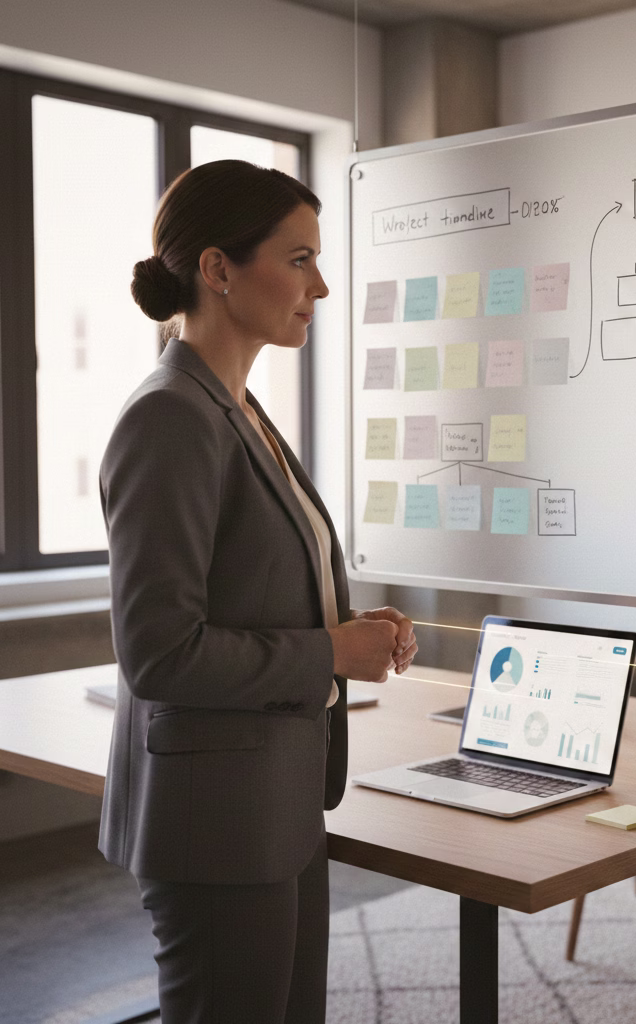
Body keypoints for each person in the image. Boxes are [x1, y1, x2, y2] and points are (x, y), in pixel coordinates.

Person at [99, 159, 417, 1024]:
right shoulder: (169, 416)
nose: (320, 283)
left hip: (275, 800)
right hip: (216, 823)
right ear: (217, 269)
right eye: (301, 257)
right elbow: (160, 652)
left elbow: (251, 586)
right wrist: (328, 654)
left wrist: (345, 625)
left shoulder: (238, 407)